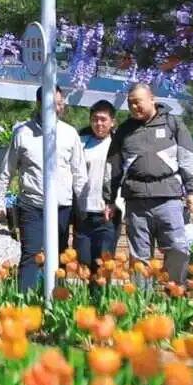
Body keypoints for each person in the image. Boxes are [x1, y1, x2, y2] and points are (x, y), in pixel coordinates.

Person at [0, 85, 87, 293]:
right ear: (39, 104)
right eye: (53, 104)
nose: (58, 108)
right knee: (30, 255)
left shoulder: (69, 133)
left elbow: (79, 174)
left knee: (60, 255)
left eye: (60, 103)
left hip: (62, 207)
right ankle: (26, 303)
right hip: (32, 206)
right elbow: (7, 170)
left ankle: (57, 299)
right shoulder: (23, 133)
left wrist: (85, 206)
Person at [103, 82, 193, 283]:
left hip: (169, 199)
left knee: (177, 249)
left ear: (152, 99)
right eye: (130, 103)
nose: (133, 107)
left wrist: (192, 191)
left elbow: (187, 158)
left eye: (138, 102)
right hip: (136, 201)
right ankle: (141, 298)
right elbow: (112, 167)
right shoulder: (124, 130)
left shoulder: (172, 124)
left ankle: (175, 292)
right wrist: (109, 200)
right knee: (139, 257)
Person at [74, 100, 121, 280]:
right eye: (95, 119)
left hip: (107, 214)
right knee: (84, 262)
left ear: (112, 122)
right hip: (84, 213)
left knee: (103, 266)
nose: (99, 124)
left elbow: (124, 177)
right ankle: (87, 297)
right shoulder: (81, 142)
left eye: (103, 119)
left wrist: (116, 203)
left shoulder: (119, 144)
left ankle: (101, 297)